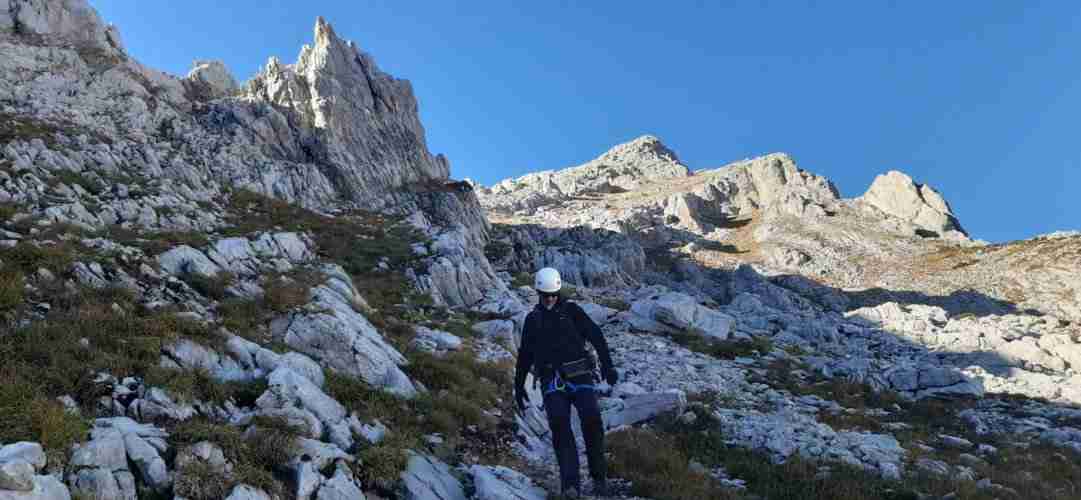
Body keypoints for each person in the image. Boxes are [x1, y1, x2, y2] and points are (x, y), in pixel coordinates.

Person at [514, 267, 618, 499]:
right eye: (545, 295)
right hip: (551, 380)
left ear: (559, 291)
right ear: (538, 293)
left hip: (580, 375)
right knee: (560, 427)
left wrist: (608, 366)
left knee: (592, 421)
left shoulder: (573, 311)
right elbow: (524, 356)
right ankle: (570, 486)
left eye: (554, 295)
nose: (550, 299)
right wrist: (518, 385)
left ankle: (599, 478)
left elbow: (596, 336)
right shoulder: (533, 320)